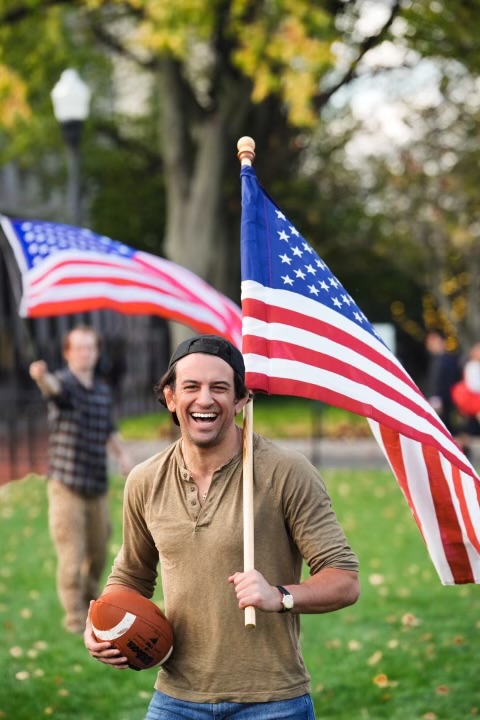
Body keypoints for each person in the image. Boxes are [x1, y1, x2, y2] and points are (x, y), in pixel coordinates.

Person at [84, 334, 360, 720]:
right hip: (176, 698)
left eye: (220, 388)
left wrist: (280, 596)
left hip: (273, 702)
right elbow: (131, 574)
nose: (205, 399)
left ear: (241, 399)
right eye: (191, 387)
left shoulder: (286, 472)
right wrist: (100, 622)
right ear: (170, 397)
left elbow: (344, 579)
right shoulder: (145, 480)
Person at [29, 324, 133, 634]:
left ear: (96, 352)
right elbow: (53, 390)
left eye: (90, 347)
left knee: (100, 552)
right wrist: (39, 377)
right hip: (66, 487)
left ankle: (90, 596)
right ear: (68, 353)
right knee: (71, 554)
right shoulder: (64, 383)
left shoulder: (101, 390)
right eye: (79, 348)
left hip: (96, 486)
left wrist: (123, 455)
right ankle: (73, 616)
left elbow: (109, 430)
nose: (85, 353)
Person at [424, 330, 462, 436]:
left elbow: (448, 382)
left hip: (447, 401)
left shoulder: (448, 360)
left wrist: (438, 397)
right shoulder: (436, 360)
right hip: (440, 400)